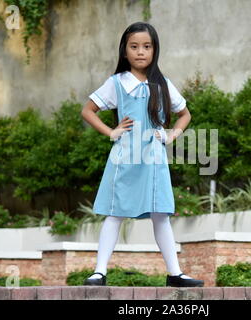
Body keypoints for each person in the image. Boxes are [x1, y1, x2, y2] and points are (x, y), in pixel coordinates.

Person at [80, 22, 203, 287]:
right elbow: (88, 110)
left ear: (154, 50)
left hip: (154, 160)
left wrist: (170, 136)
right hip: (125, 158)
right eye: (134, 46)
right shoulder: (116, 83)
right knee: (115, 213)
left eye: (147, 47)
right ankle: (99, 272)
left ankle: (175, 274)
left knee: (160, 215)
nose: (140, 52)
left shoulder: (163, 84)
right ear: (125, 51)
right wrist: (111, 132)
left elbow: (185, 115)